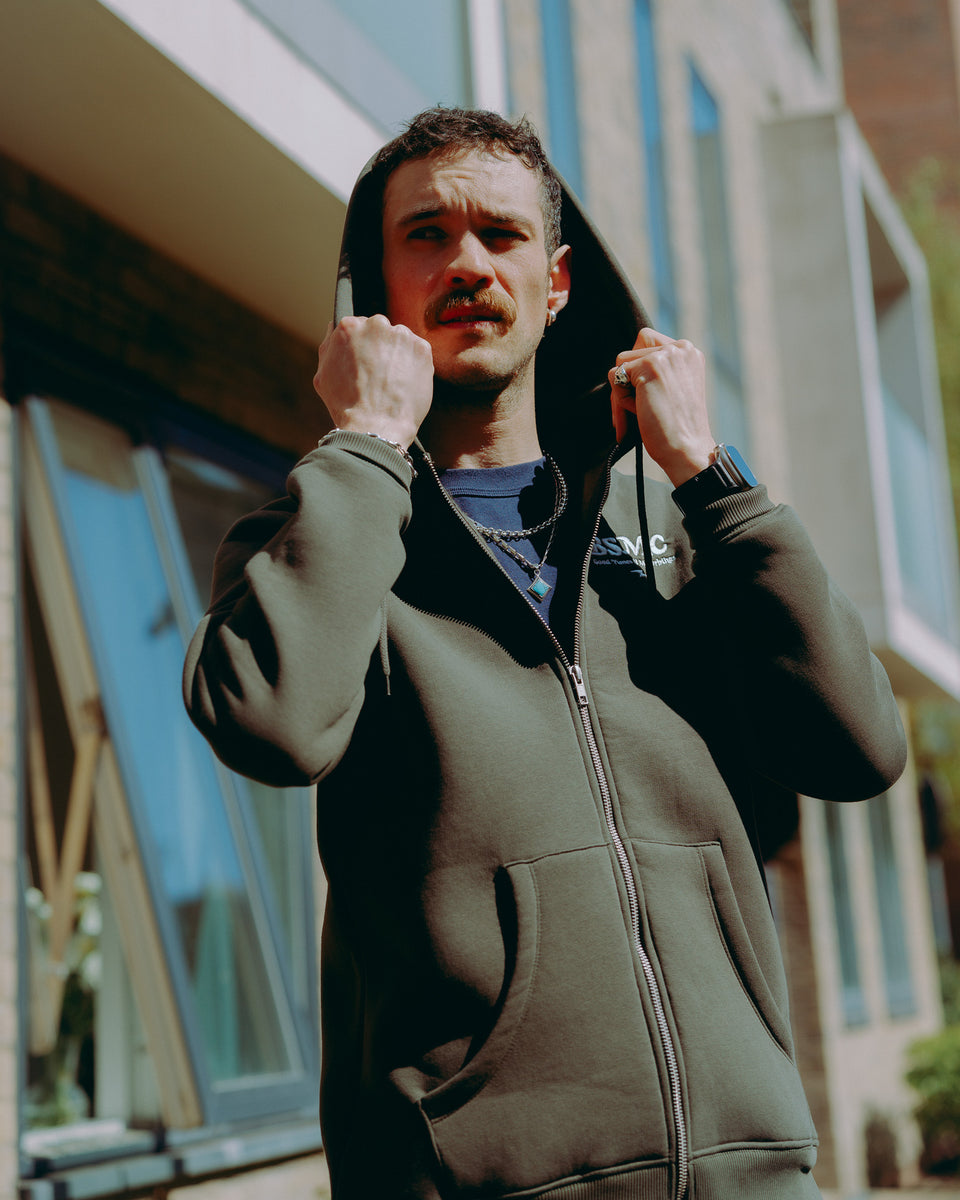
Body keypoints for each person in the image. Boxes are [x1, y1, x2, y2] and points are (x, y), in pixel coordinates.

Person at [183, 107, 906, 1200]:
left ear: (557, 281)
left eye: (501, 235)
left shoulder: (668, 533)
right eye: (426, 235)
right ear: (374, 291)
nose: (467, 263)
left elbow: (861, 750)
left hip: (752, 1175)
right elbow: (274, 725)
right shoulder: (319, 538)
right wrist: (368, 447)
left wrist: (713, 475)